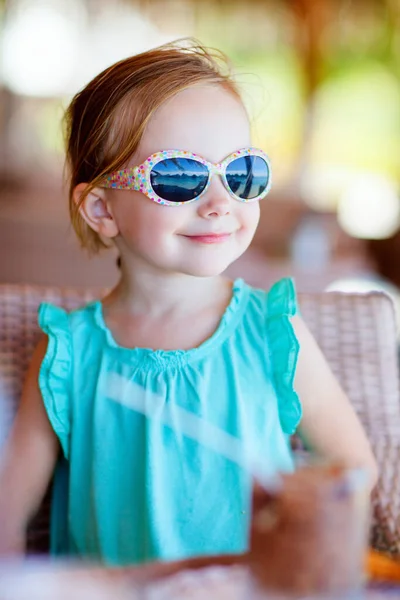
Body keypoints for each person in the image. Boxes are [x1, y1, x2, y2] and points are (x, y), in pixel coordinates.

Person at [0, 40, 377, 565]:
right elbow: (7, 522)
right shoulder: (69, 353)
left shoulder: (271, 331)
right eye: (179, 177)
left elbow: (352, 468)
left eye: (243, 173)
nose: (222, 203)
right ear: (103, 208)